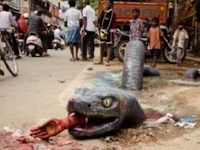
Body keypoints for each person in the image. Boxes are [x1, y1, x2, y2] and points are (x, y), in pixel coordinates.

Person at [95, 0, 116, 66]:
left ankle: (107, 60)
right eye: (106, 3)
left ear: (111, 4)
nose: (107, 4)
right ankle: (101, 60)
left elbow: (110, 23)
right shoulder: (103, 12)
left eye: (109, 3)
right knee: (102, 45)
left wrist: (106, 30)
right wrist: (98, 25)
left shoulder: (112, 13)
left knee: (109, 45)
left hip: (108, 31)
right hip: (102, 31)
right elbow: (100, 21)